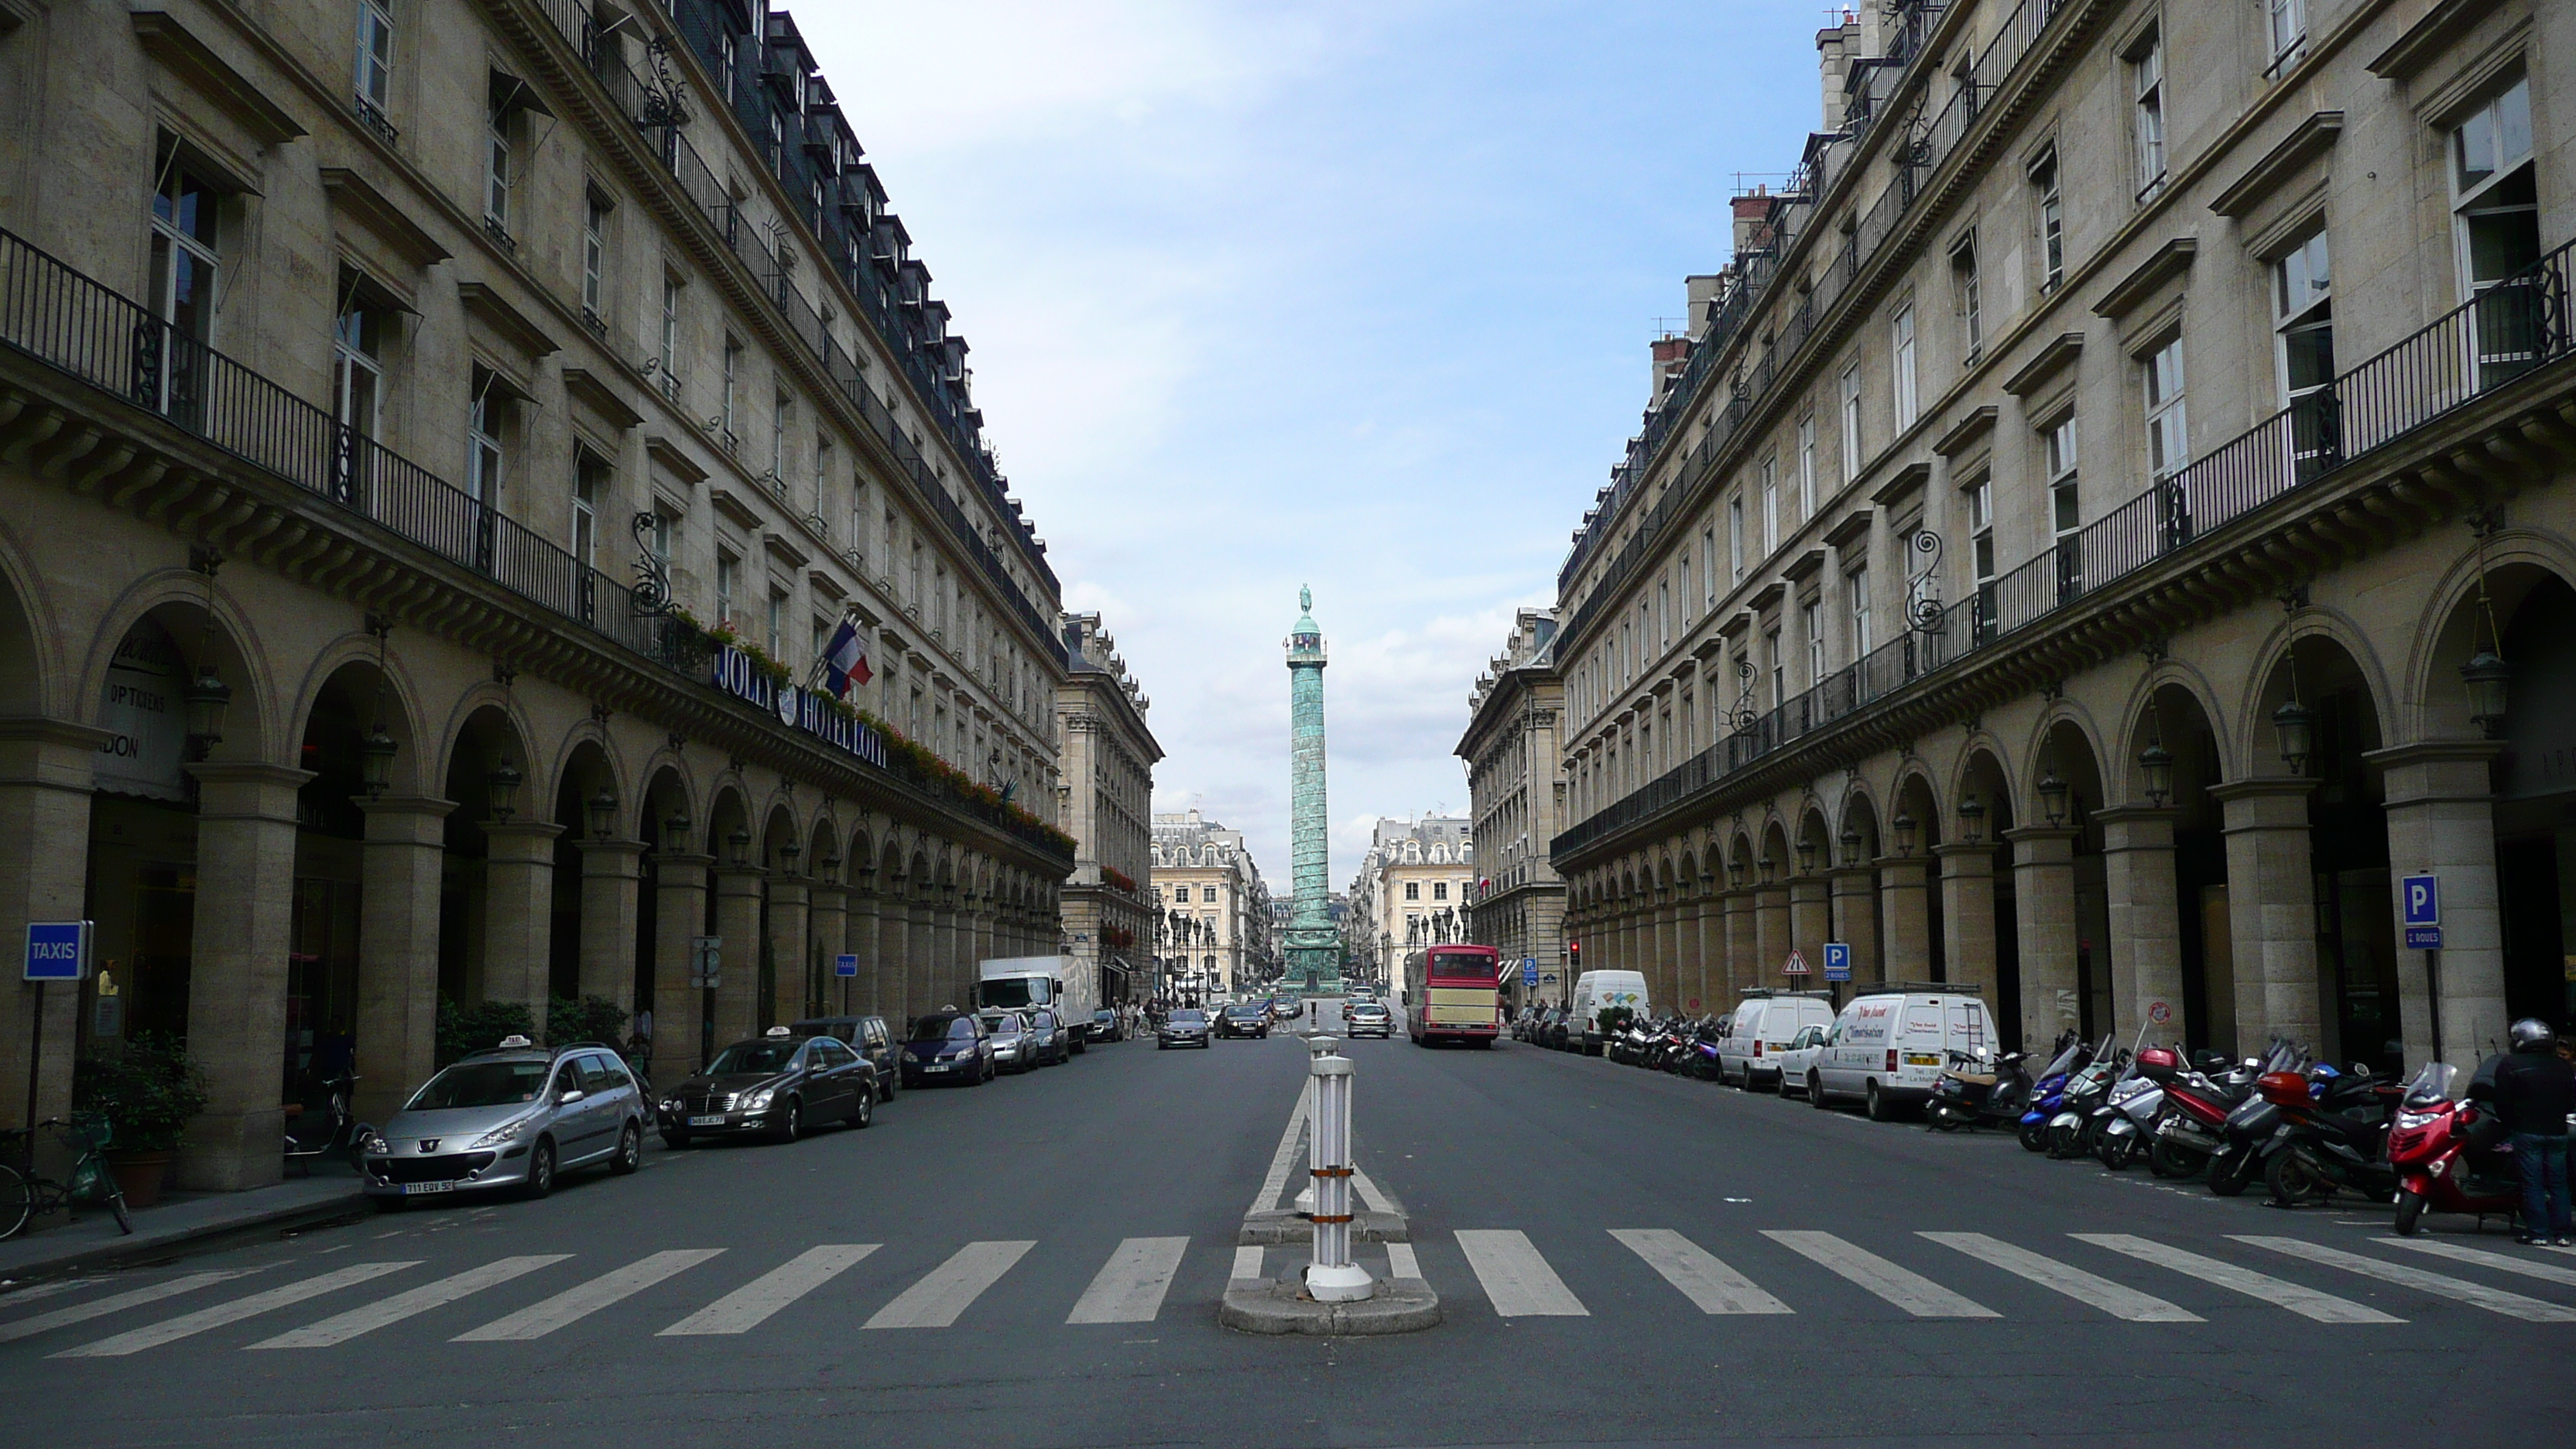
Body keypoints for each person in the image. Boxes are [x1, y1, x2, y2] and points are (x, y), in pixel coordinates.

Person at [2494, 1018, 2574, 1246]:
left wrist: (2511, 1122)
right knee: (2559, 1183)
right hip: (2557, 1131)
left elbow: (2502, 1101)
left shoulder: (2510, 1064)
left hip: (2527, 1130)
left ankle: (2538, 1232)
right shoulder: (2562, 1066)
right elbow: (2570, 1099)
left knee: (2533, 1183)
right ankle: (2562, 1233)